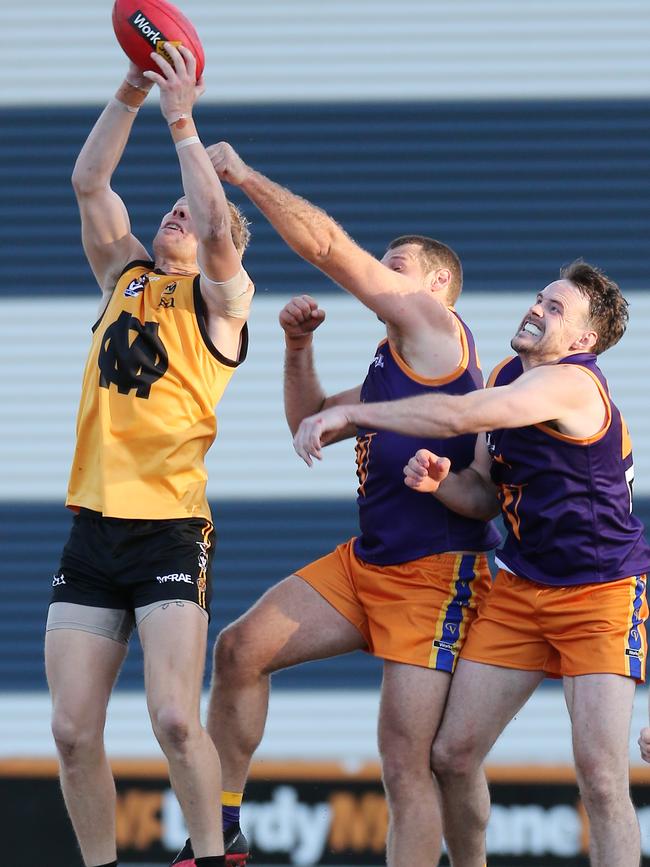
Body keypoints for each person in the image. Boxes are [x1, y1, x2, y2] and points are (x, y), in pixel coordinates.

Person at [170, 143, 500, 867]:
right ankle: (221, 834)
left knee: (409, 762)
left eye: (398, 263)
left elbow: (324, 245)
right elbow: (310, 415)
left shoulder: (436, 332)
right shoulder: (391, 364)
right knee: (239, 650)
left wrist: (245, 177)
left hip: (433, 575)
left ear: (439, 282)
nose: (385, 274)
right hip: (369, 564)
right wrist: (295, 346)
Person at [294, 260, 650, 867]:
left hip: (601, 594)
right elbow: (484, 494)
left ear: (584, 342)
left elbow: (459, 416)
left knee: (600, 778)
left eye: (556, 308)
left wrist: (354, 413)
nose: (537, 308)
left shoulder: (572, 385)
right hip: (522, 586)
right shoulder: (511, 374)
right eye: (541, 297)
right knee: (452, 756)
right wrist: (443, 484)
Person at [45, 45, 254, 867]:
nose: (176, 214)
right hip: (94, 528)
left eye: (188, 214)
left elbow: (215, 223)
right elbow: (89, 184)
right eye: (167, 207)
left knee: (173, 717)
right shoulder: (124, 275)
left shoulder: (221, 301)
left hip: (169, 526)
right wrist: (130, 93)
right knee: (69, 730)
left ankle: (212, 854)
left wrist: (182, 119)